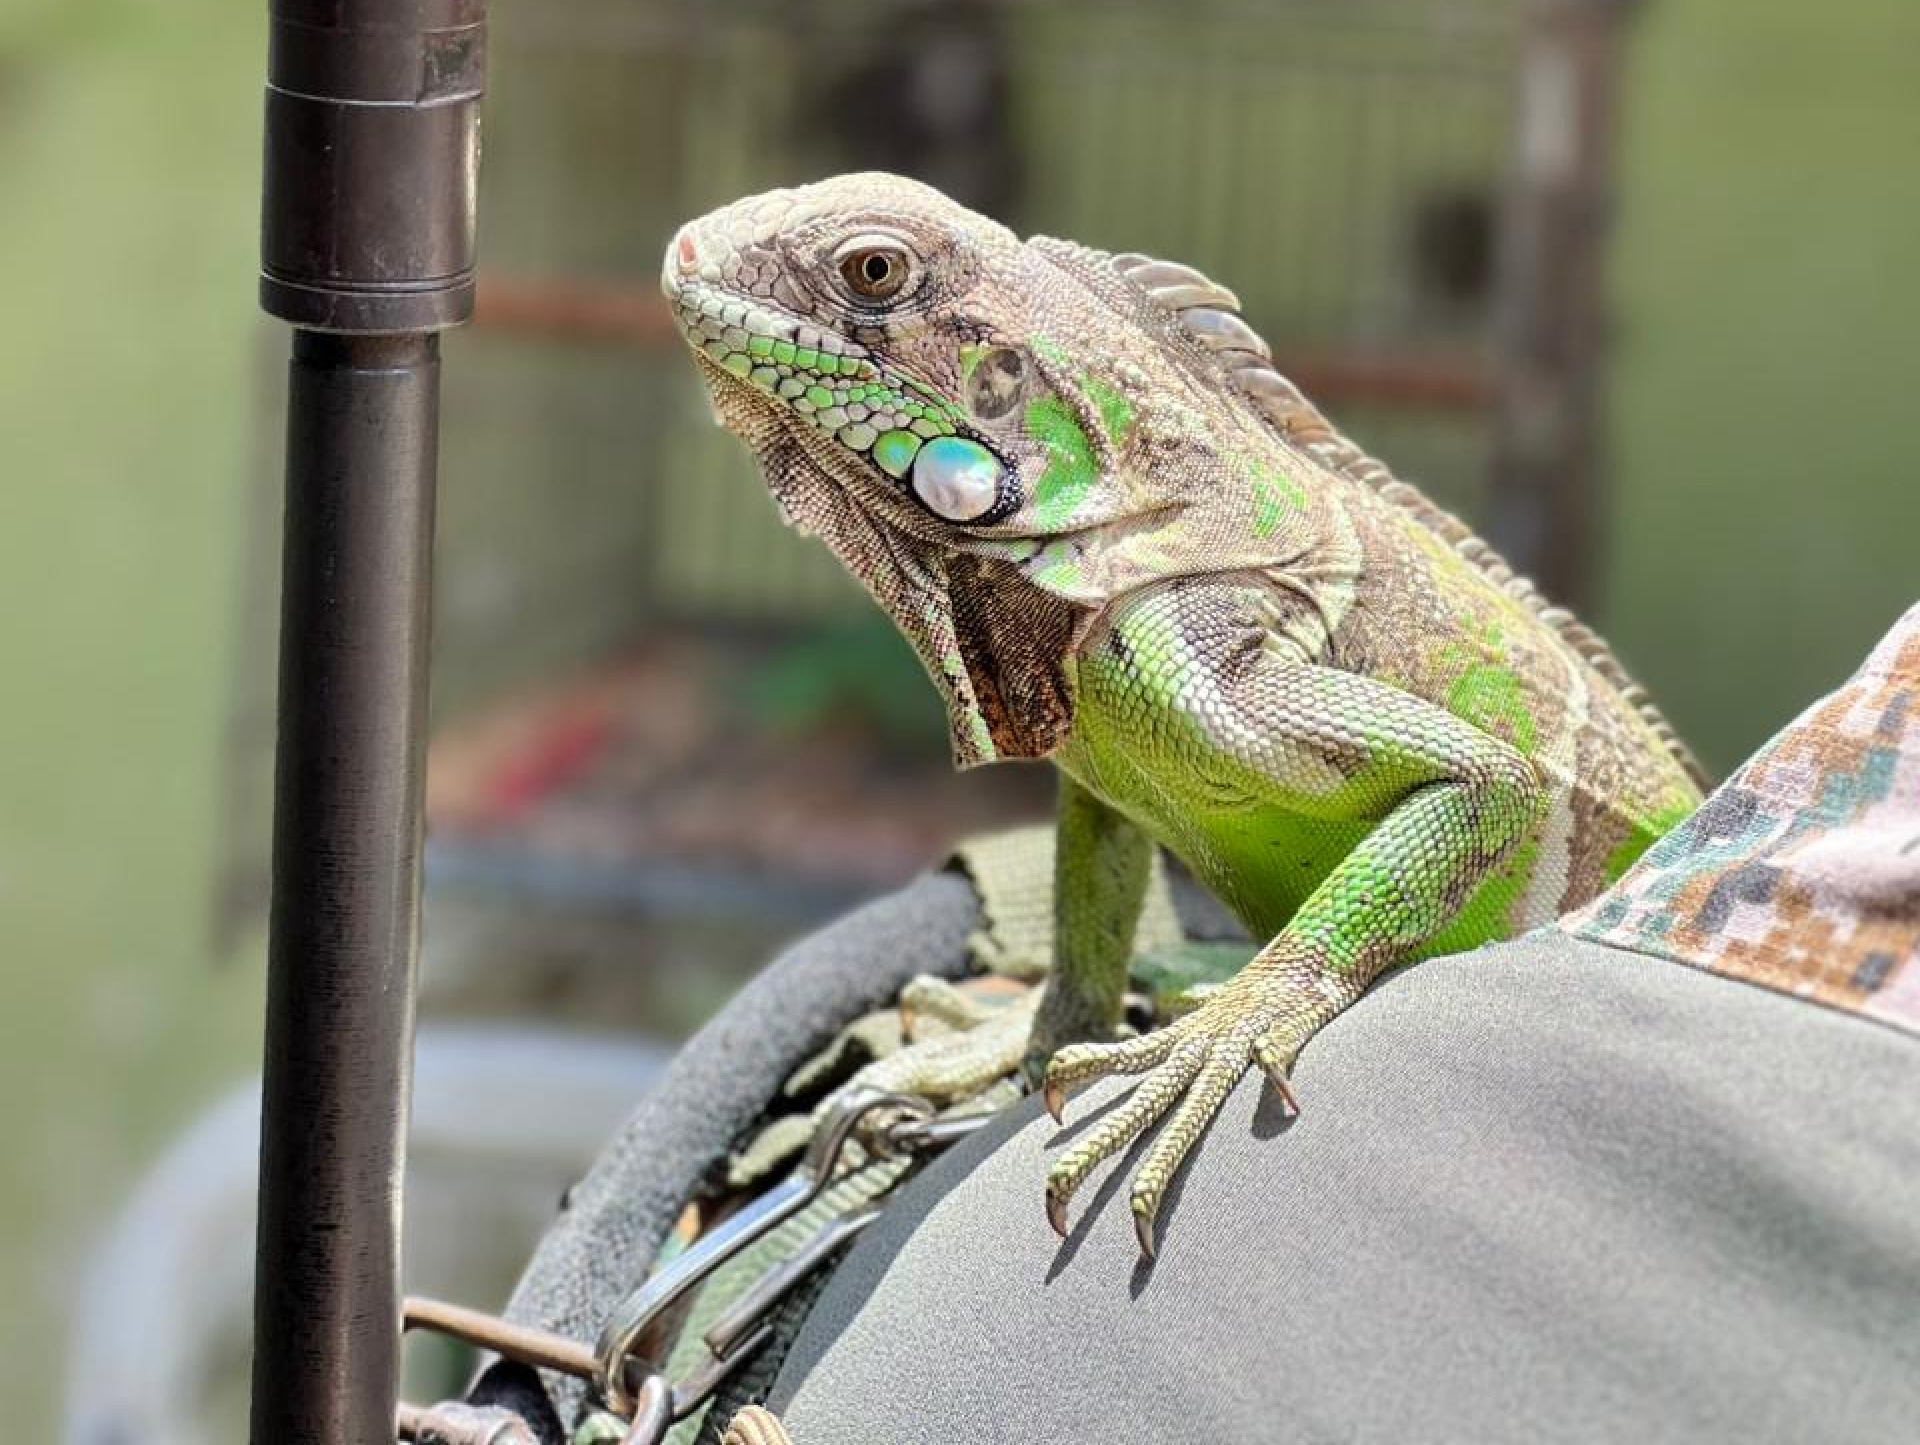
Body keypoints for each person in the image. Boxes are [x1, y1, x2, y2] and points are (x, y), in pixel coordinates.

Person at [473, 610, 1920, 1445]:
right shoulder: (1125, 646)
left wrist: (1280, 994)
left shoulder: (1171, 633)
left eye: (867, 290)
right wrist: (1070, 1023)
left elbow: (1478, 792)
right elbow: (1109, 763)